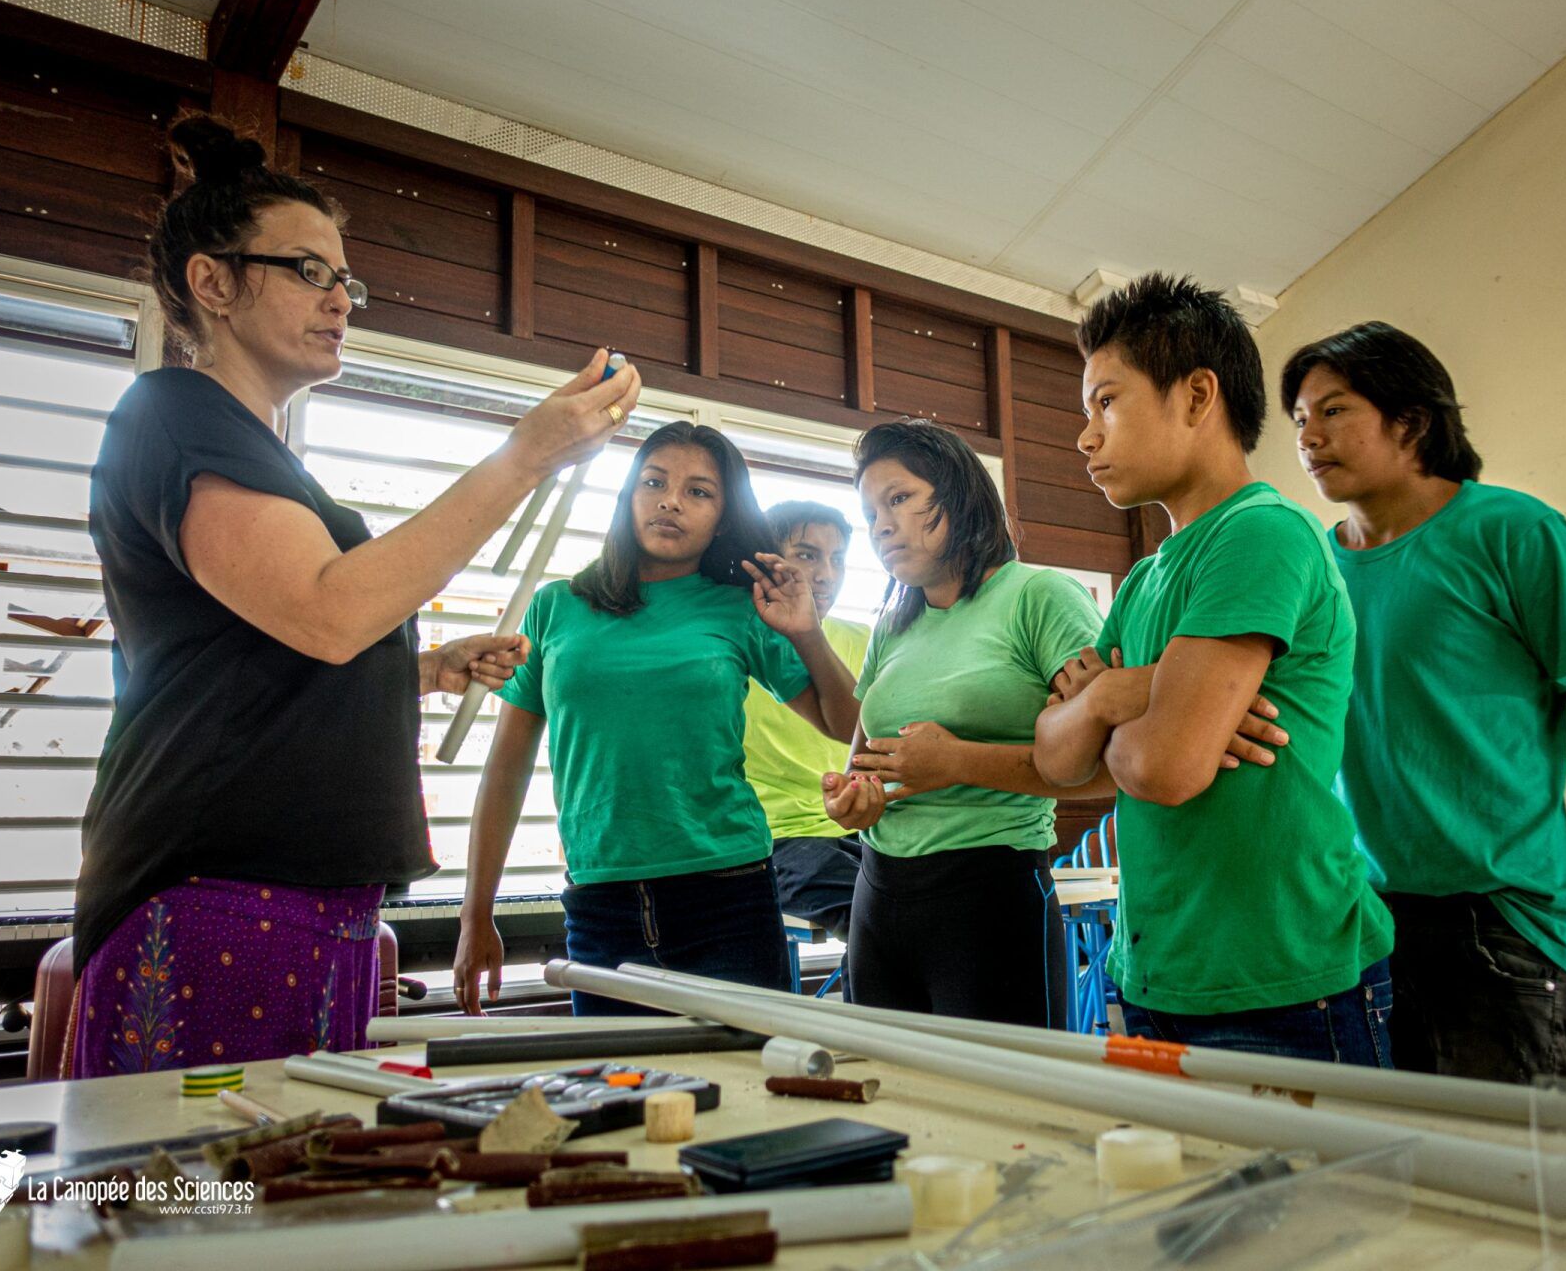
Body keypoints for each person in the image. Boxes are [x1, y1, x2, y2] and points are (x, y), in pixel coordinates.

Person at [67, 115, 641, 1077]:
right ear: (213, 282)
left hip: (306, 894)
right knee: (207, 1165)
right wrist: (525, 455)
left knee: (289, 1161)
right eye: (309, 271)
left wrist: (420, 669)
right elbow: (328, 612)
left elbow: (256, 660)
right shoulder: (172, 412)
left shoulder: (259, 454)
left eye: (346, 280)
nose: (341, 299)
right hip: (218, 889)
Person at [1282, 321, 1566, 1082]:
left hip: (1505, 921)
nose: (1309, 437)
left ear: (1411, 421)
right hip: (1360, 919)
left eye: (1334, 410)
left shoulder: (1514, 531)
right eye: (1299, 419)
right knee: (1388, 1155)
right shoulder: (1310, 566)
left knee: (1511, 1160)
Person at [1035, 273, 1395, 1067]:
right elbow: (1057, 760)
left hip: (1282, 981)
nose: (1086, 437)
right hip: (1154, 975)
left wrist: (1111, 704)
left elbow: (1162, 767)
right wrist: (1122, 697)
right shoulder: (1145, 578)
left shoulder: (1260, 534)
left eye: (1106, 402)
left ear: (1197, 395)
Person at [454, 423, 858, 1016]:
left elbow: (847, 725)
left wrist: (807, 631)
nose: (670, 501)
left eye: (699, 491)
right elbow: (506, 768)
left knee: (745, 1075)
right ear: (628, 496)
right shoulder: (556, 607)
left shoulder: (741, 608)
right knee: (618, 1075)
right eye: (654, 482)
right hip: (600, 905)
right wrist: (475, 913)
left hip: (728, 898)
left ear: (723, 518)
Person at [820, 420, 1114, 1028]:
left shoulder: (1040, 597)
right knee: (882, 1081)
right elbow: (862, 770)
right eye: (870, 512)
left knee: (1003, 1087)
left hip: (991, 893)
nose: (880, 525)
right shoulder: (893, 625)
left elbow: (1110, 771)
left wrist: (958, 762)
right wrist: (854, 801)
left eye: (899, 498)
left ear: (957, 494)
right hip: (877, 893)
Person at [742, 501, 872, 949]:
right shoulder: (738, 639)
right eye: (807, 555)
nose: (826, 575)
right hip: (777, 840)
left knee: (936, 905)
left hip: (865, 831)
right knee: (879, 919)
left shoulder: (866, 641)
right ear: (767, 560)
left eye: (838, 560)